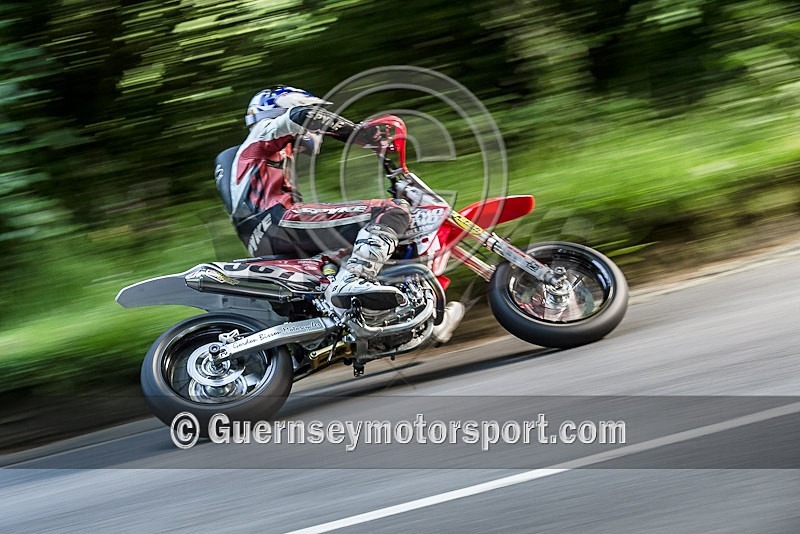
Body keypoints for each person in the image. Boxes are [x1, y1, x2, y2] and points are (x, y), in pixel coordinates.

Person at [215, 85, 413, 311]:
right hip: (277, 220)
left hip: (266, 231)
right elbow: (304, 116)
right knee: (389, 211)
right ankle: (353, 280)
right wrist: (360, 134)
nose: (317, 132)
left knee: (359, 242)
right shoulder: (263, 132)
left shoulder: (276, 156)